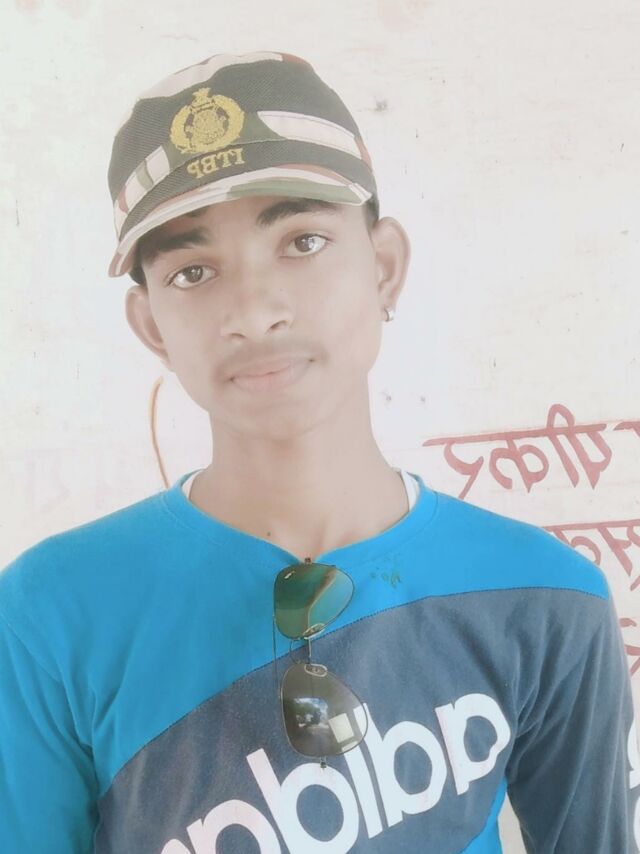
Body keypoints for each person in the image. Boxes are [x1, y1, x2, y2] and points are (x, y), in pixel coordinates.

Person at [0, 50, 637, 854]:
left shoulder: (547, 597)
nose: (253, 310)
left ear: (384, 267)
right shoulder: (50, 612)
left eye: (302, 241)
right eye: (193, 271)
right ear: (152, 324)